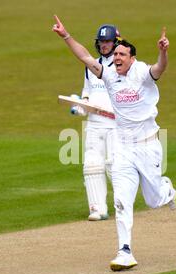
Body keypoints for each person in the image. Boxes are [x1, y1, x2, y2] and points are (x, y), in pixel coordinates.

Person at [52, 15, 176, 271]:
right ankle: (124, 251)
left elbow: (160, 69)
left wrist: (163, 52)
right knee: (122, 201)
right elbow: (85, 58)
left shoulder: (142, 72)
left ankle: (167, 189)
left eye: (122, 54)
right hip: (122, 148)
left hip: (147, 145)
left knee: (154, 201)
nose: (117, 57)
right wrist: (66, 36)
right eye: (116, 54)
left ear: (132, 58)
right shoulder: (108, 75)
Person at [72, 24, 121, 222]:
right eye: (101, 42)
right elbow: (88, 93)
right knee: (92, 165)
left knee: (114, 165)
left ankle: (122, 205)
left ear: (115, 42)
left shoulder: (122, 66)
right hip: (94, 123)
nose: (104, 45)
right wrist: (81, 106)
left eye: (108, 41)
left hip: (115, 124)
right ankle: (97, 208)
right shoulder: (90, 66)